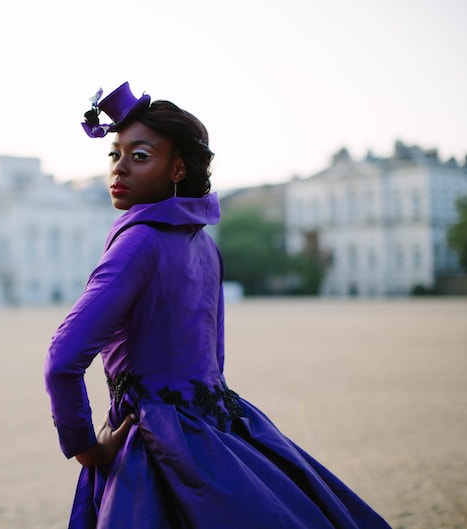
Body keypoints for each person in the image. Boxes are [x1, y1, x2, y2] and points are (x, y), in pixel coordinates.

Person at [44, 82, 392, 529]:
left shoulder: (138, 242)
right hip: (225, 429)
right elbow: (214, 356)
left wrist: (87, 448)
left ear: (177, 168)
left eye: (141, 155)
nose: (120, 168)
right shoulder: (205, 245)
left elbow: (62, 359)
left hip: (151, 444)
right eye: (116, 154)